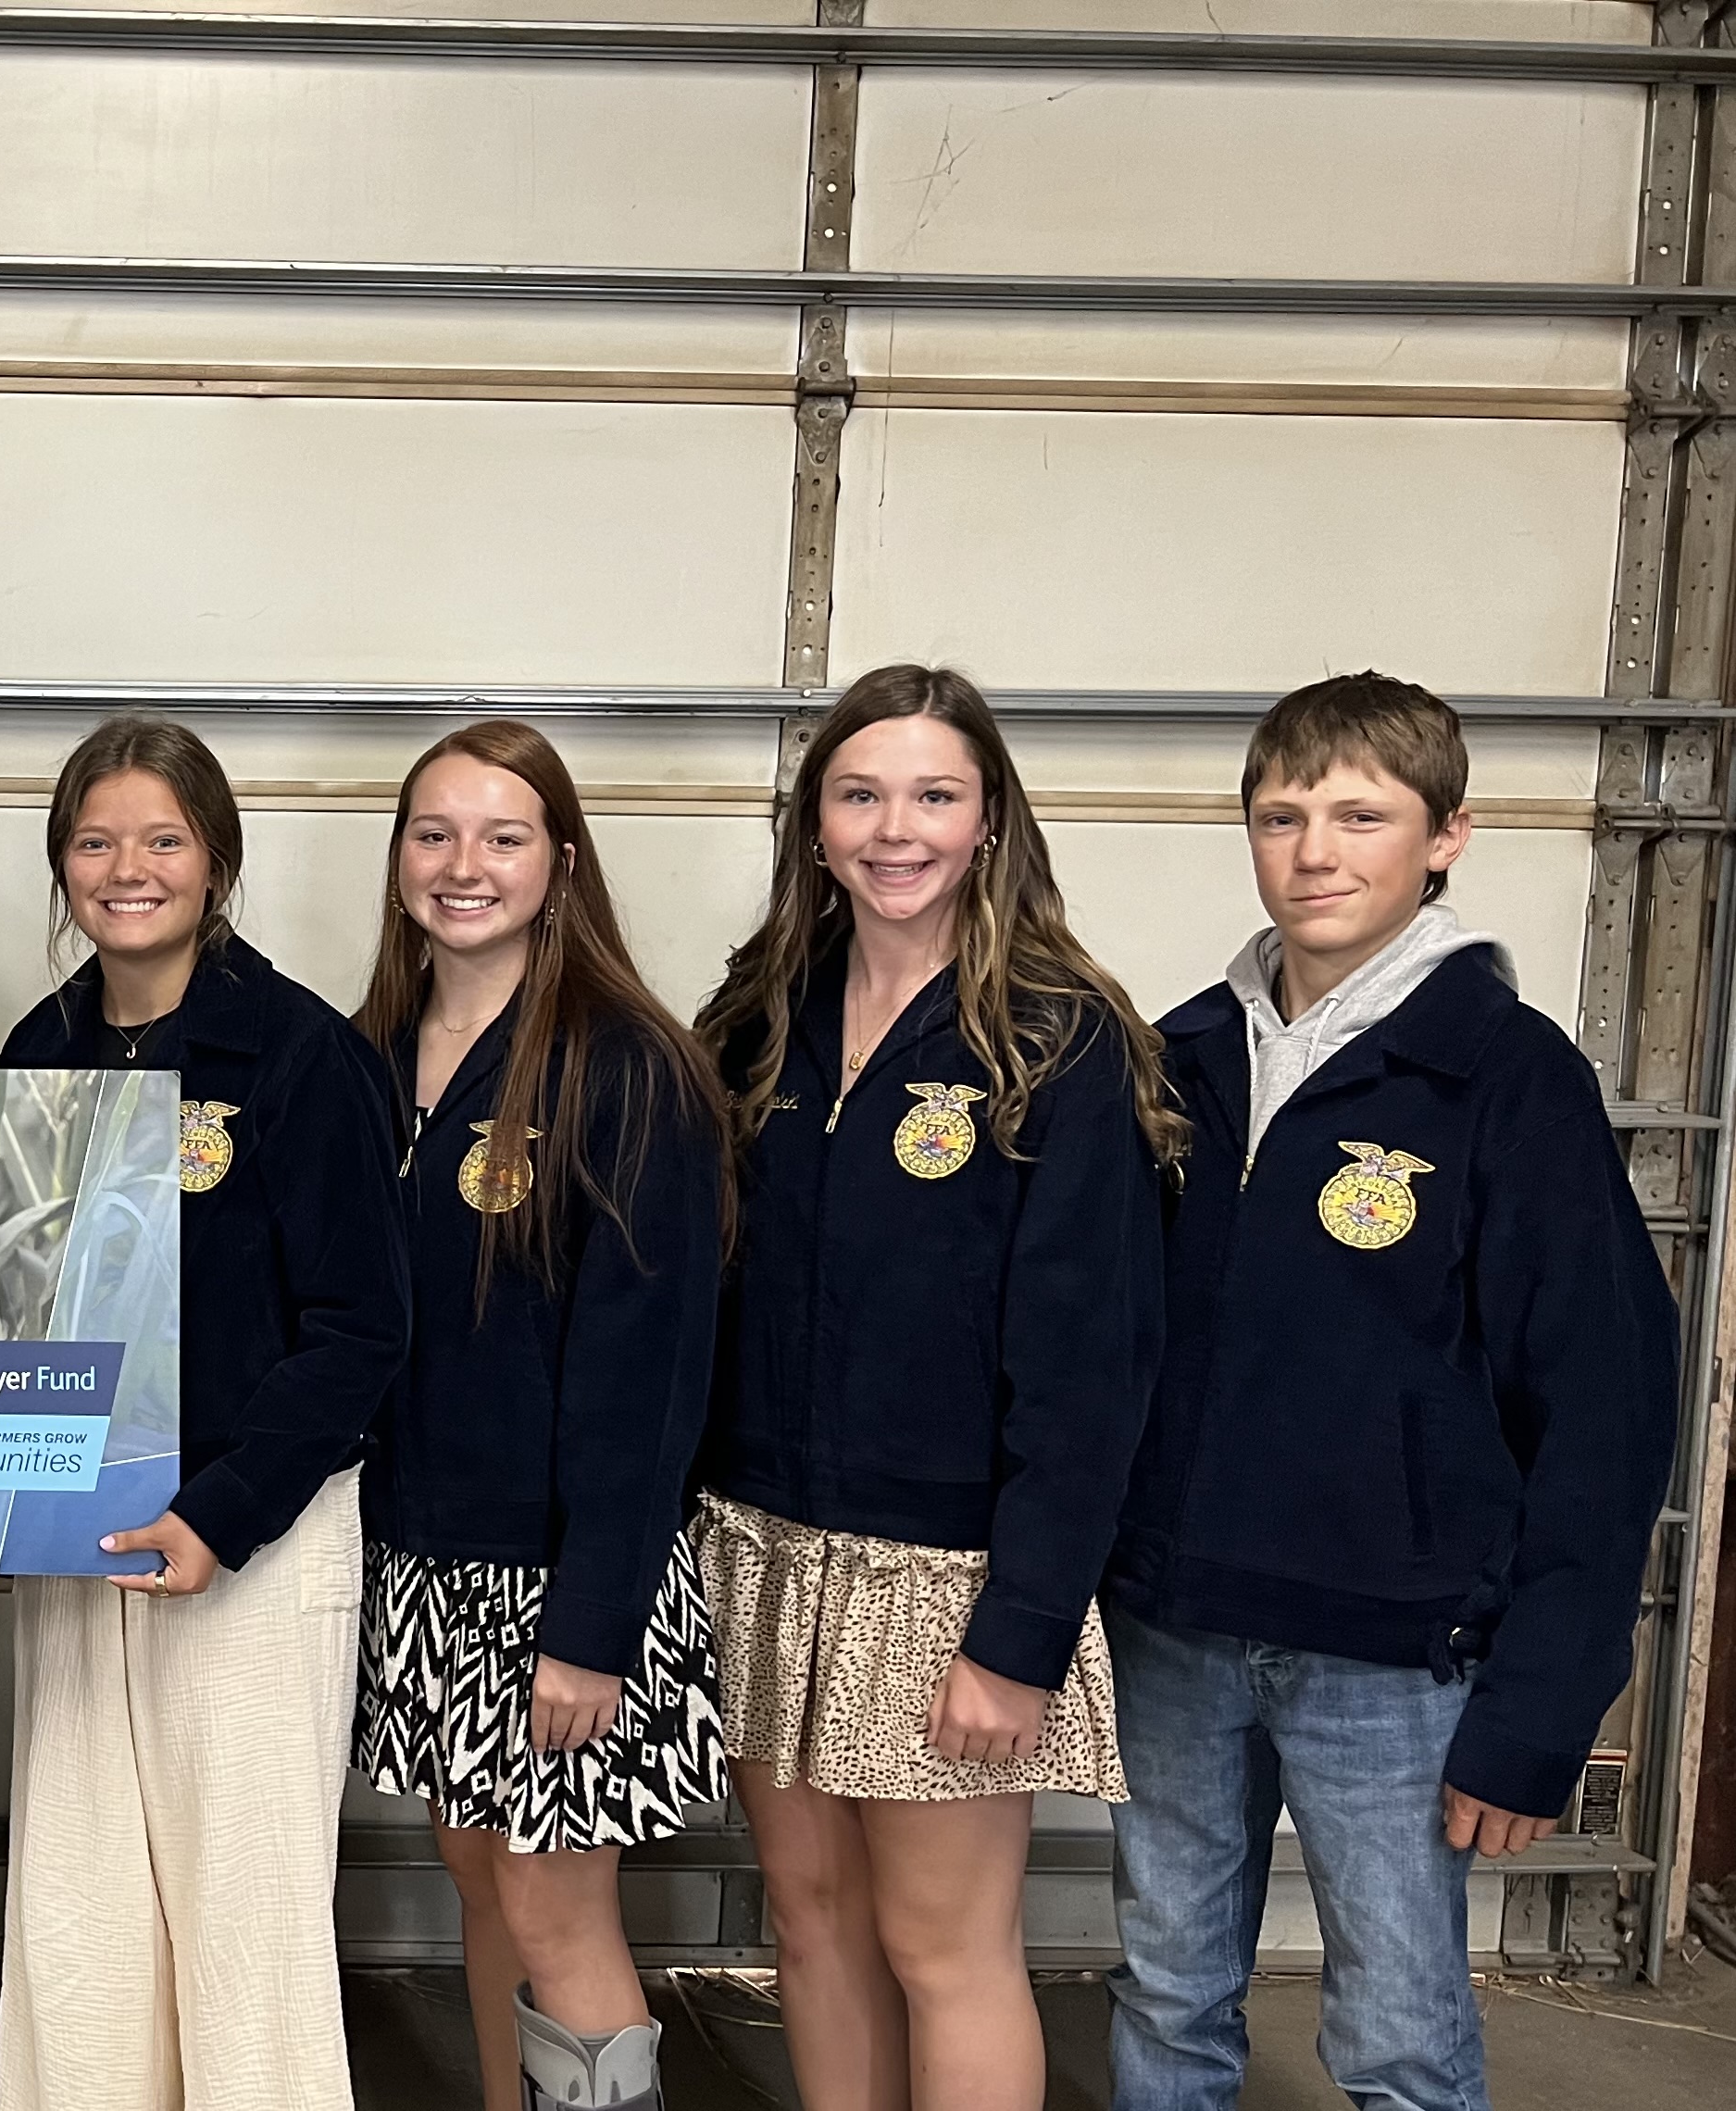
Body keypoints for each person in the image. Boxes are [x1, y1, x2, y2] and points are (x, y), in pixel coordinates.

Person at [1103, 674, 1679, 2111]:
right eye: (1280, 814)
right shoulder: (1176, 1061)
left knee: (1397, 2030)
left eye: (1361, 816)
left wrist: (1540, 1703)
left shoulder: (1504, 1078)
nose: (1314, 851)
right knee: (1166, 1991)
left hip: (1393, 1654)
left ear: (1445, 838)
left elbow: (1602, 1416)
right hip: (1174, 1628)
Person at [690, 664, 1179, 2111]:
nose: (892, 828)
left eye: (932, 794)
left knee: (944, 1947)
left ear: (987, 823)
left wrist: (1018, 1631)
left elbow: (1093, 1375)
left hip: (948, 1575)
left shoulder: (1057, 1036)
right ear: (816, 821)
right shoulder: (757, 1015)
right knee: (812, 1925)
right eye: (858, 793)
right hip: (766, 1542)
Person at [0, 716, 409, 2110]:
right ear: (60, 865)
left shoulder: (298, 1057)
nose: (128, 868)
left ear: (216, 862)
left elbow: (361, 1335)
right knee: (79, 1909)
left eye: (161, 839)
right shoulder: (35, 1053)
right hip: (77, 1541)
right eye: (96, 840)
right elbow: (1, 1302)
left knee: (244, 1928)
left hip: (247, 1545)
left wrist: (219, 1515)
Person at [348, 722, 729, 2111]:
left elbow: (653, 1377)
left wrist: (589, 1623)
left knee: (552, 1898)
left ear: (559, 863)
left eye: (501, 836)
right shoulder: (370, 1054)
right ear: (396, 861)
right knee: (477, 1872)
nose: (463, 866)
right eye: (433, 834)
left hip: (564, 1576)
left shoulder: (623, 1066)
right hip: (422, 1559)